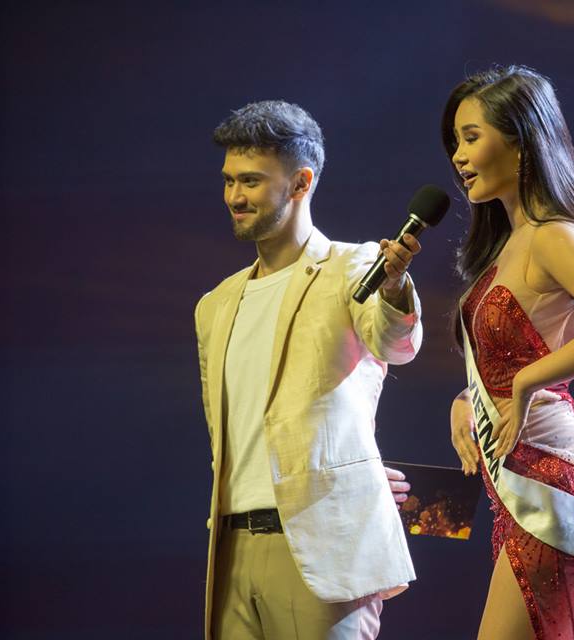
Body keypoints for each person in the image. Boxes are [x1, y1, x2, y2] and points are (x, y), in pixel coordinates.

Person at [195, 100, 422, 640]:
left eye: (251, 181)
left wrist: (393, 289)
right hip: (232, 549)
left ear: (301, 182)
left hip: (322, 549)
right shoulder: (215, 305)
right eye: (229, 181)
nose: (234, 196)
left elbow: (396, 344)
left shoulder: (353, 265)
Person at [442, 66, 574, 639]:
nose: (458, 157)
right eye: (456, 142)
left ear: (520, 141)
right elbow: (505, 362)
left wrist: (528, 381)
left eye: (471, 137)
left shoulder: (552, 235)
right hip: (518, 482)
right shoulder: (508, 243)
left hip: (553, 477)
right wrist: (466, 400)